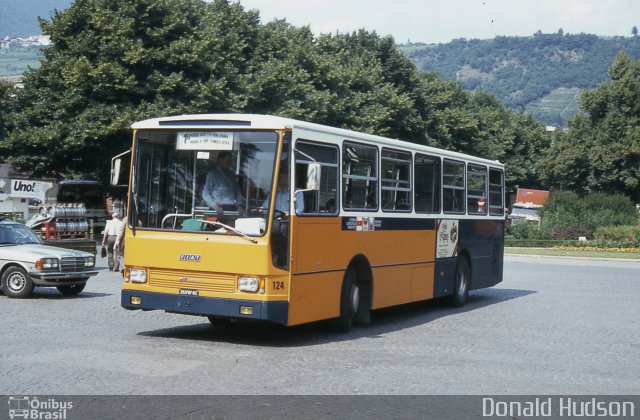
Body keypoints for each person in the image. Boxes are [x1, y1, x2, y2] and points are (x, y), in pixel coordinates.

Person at [202, 151, 245, 216]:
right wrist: (214, 206)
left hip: (231, 208)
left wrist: (239, 205)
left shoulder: (232, 176)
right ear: (220, 160)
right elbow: (206, 193)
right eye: (227, 161)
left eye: (230, 162)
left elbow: (238, 192)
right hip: (217, 208)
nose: (229, 164)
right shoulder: (212, 175)